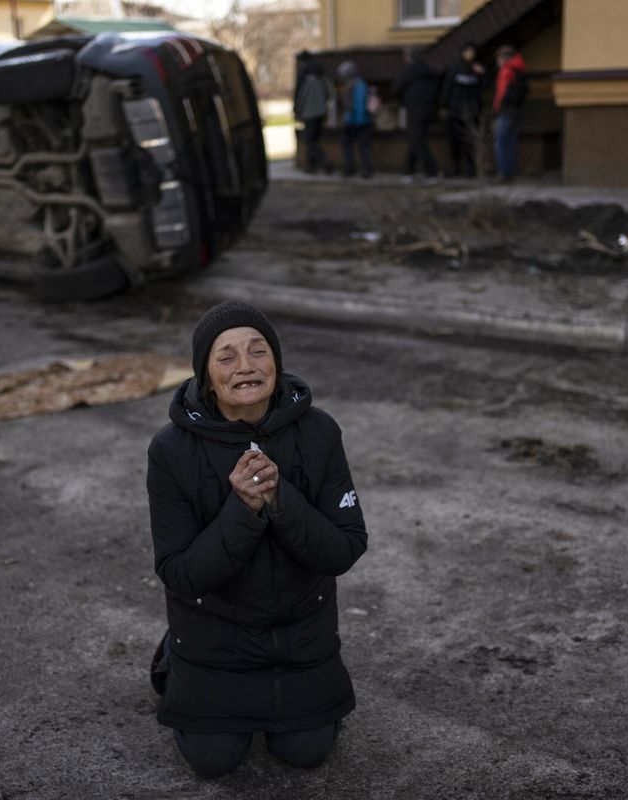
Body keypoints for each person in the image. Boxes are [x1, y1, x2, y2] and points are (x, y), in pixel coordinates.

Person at [147, 300, 368, 779]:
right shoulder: (170, 450)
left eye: (258, 351)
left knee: (306, 751)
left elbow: (345, 548)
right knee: (213, 760)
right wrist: (243, 509)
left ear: (277, 363)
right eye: (226, 357)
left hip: (300, 634)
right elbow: (180, 574)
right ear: (205, 377)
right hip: (215, 635)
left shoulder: (320, 432)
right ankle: (174, 652)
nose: (245, 366)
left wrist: (278, 500)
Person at [392, 47, 441, 182]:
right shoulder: (429, 70)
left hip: (415, 109)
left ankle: (432, 173)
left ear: (408, 58)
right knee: (416, 139)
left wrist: (402, 100)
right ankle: (408, 171)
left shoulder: (409, 70)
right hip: (430, 110)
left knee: (418, 141)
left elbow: (396, 88)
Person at [442, 42, 487, 178]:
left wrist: (483, 74)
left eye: (472, 52)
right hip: (455, 110)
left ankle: (471, 169)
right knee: (455, 141)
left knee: (471, 142)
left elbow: (486, 86)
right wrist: (444, 106)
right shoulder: (454, 68)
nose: (470, 55)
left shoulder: (477, 69)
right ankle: (456, 168)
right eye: (468, 52)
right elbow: (447, 88)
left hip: (473, 111)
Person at [492, 44, 528, 183]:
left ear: (504, 58)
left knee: (500, 142)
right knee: (511, 141)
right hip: (515, 110)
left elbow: (502, 92)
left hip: (506, 110)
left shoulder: (507, 71)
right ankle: (510, 172)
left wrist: (499, 106)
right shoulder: (519, 69)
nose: (497, 61)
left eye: (498, 58)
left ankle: (503, 173)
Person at [293, 53, 333, 174]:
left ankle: (324, 161)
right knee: (314, 139)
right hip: (321, 111)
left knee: (310, 141)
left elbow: (299, 94)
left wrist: (296, 110)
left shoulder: (303, 74)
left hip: (309, 112)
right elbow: (328, 93)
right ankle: (312, 166)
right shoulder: (321, 73)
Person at [337, 61, 373, 179]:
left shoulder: (350, 86)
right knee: (364, 148)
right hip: (365, 121)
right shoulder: (362, 84)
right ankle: (366, 170)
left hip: (353, 121)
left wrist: (348, 119)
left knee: (347, 145)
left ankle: (350, 168)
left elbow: (351, 105)